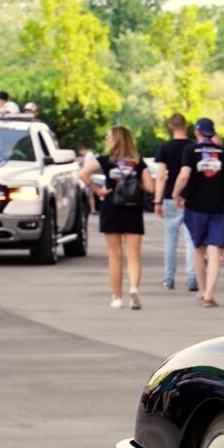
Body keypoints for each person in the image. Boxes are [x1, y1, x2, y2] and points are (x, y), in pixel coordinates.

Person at [82, 125, 155, 310]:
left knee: (115, 255)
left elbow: (82, 174)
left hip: (112, 207)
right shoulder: (138, 162)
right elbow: (150, 188)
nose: (107, 139)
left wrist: (97, 190)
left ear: (114, 140)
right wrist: (136, 182)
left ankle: (117, 297)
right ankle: (134, 288)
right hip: (133, 210)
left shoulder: (105, 160)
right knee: (134, 255)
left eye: (108, 136)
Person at [171, 117, 224, 307]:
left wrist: (176, 193)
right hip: (218, 207)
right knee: (214, 250)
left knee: (198, 249)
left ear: (197, 132)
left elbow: (184, 175)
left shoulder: (190, 150)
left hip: (195, 206)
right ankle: (210, 294)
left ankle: (202, 290)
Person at [153, 113, 198, 293]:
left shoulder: (164, 148)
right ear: (186, 126)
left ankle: (169, 278)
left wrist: (157, 200)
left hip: (170, 197)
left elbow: (161, 176)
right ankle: (192, 277)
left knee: (170, 239)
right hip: (190, 197)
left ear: (170, 127)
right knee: (190, 239)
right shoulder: (193, 147)